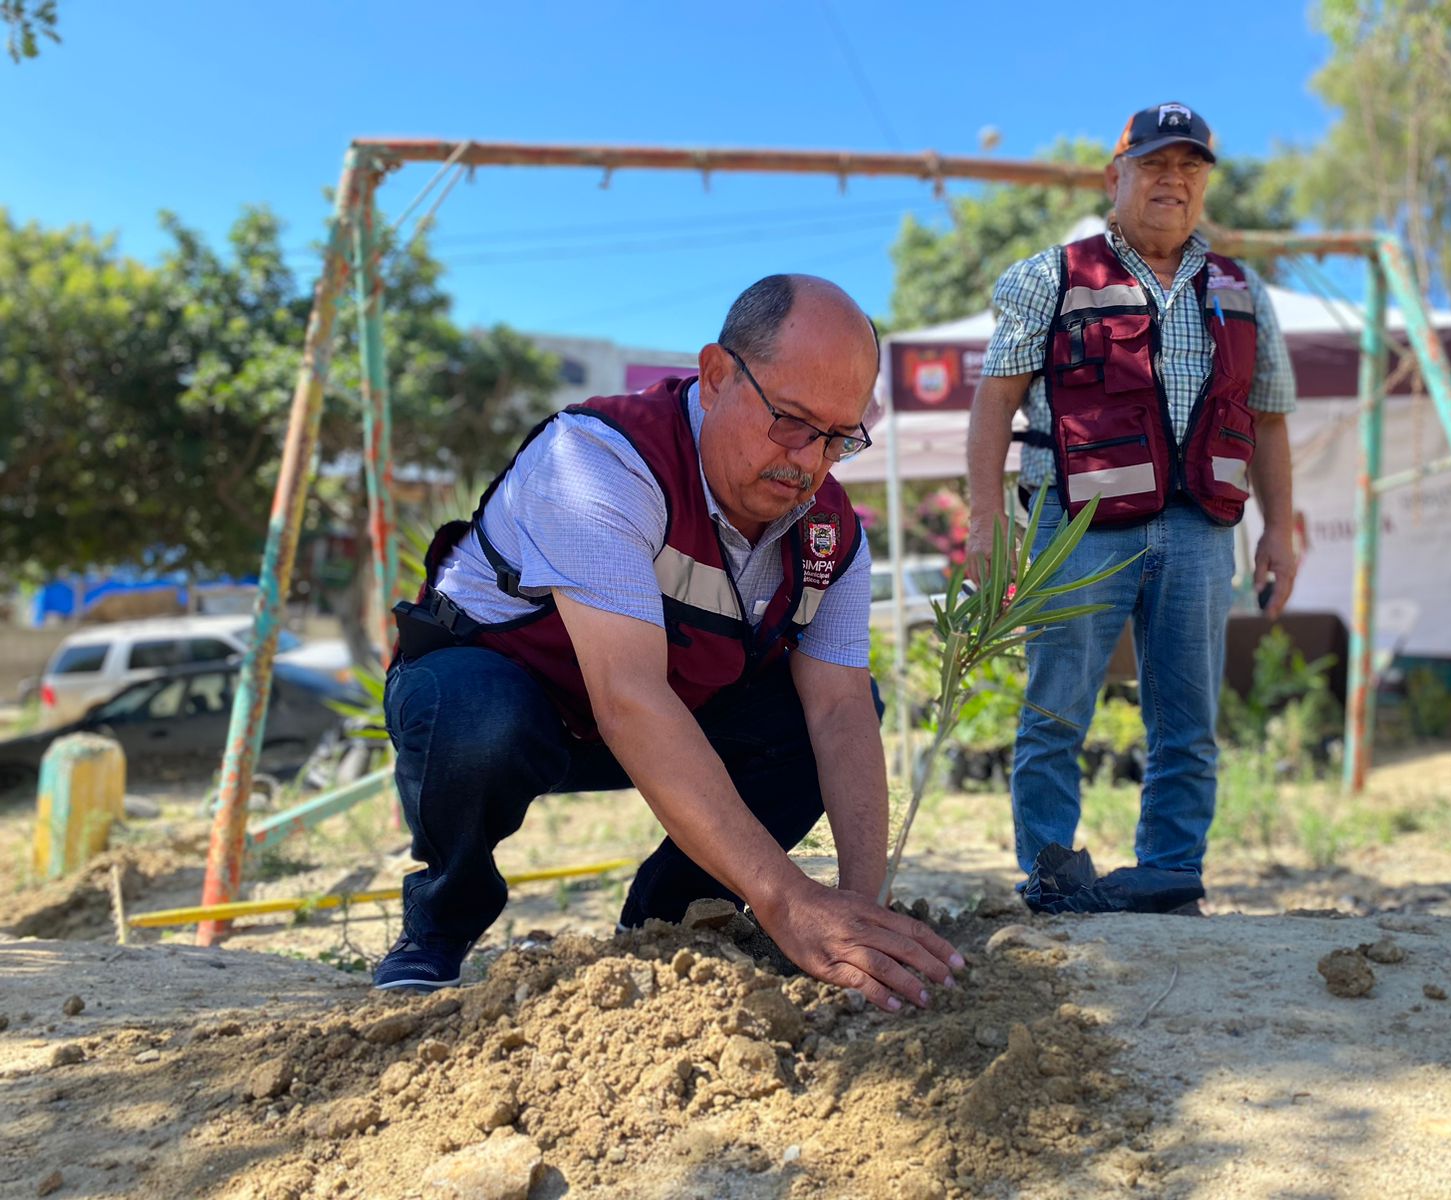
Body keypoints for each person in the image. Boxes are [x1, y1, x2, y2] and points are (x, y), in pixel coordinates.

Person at [376, 274, 963, 1009]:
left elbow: (840, 710)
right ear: (716, 376)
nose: (808, 463)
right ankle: (438, 924)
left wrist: (863, 905)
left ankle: (670, 922)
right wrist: (788, 902)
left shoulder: (830, 535)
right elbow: (628, 697)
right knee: (475, 719)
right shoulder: (598, 461)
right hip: (514, 696)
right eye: (790, 421)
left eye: (839, 438)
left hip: (661, 716)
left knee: (826, 715)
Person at [965, 102, 1298, 911]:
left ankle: (1171, 875)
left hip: (1200, 532)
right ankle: (1051, 878)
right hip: (1073, 527)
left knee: (1188, 723)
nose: (1172, 182)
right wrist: (985, 520)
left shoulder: (1242, 291)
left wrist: (1281, 529)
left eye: (1189, 168)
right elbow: (992, 403)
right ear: (1117, 177)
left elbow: (1268, 416)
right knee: (1055, 712)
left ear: (1205, 185)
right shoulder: (1051, 274)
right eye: (1154, 166)